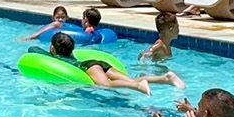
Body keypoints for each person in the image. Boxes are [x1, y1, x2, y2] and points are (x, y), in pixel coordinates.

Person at [50, 31, 183, 93]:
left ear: (52, 48)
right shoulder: (72, 55)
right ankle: (166, 78)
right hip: (99, 62)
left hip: (89, 66)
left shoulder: (57, 59)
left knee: (106, 85)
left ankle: (138, 87)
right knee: (130, 79)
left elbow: (35, 49)